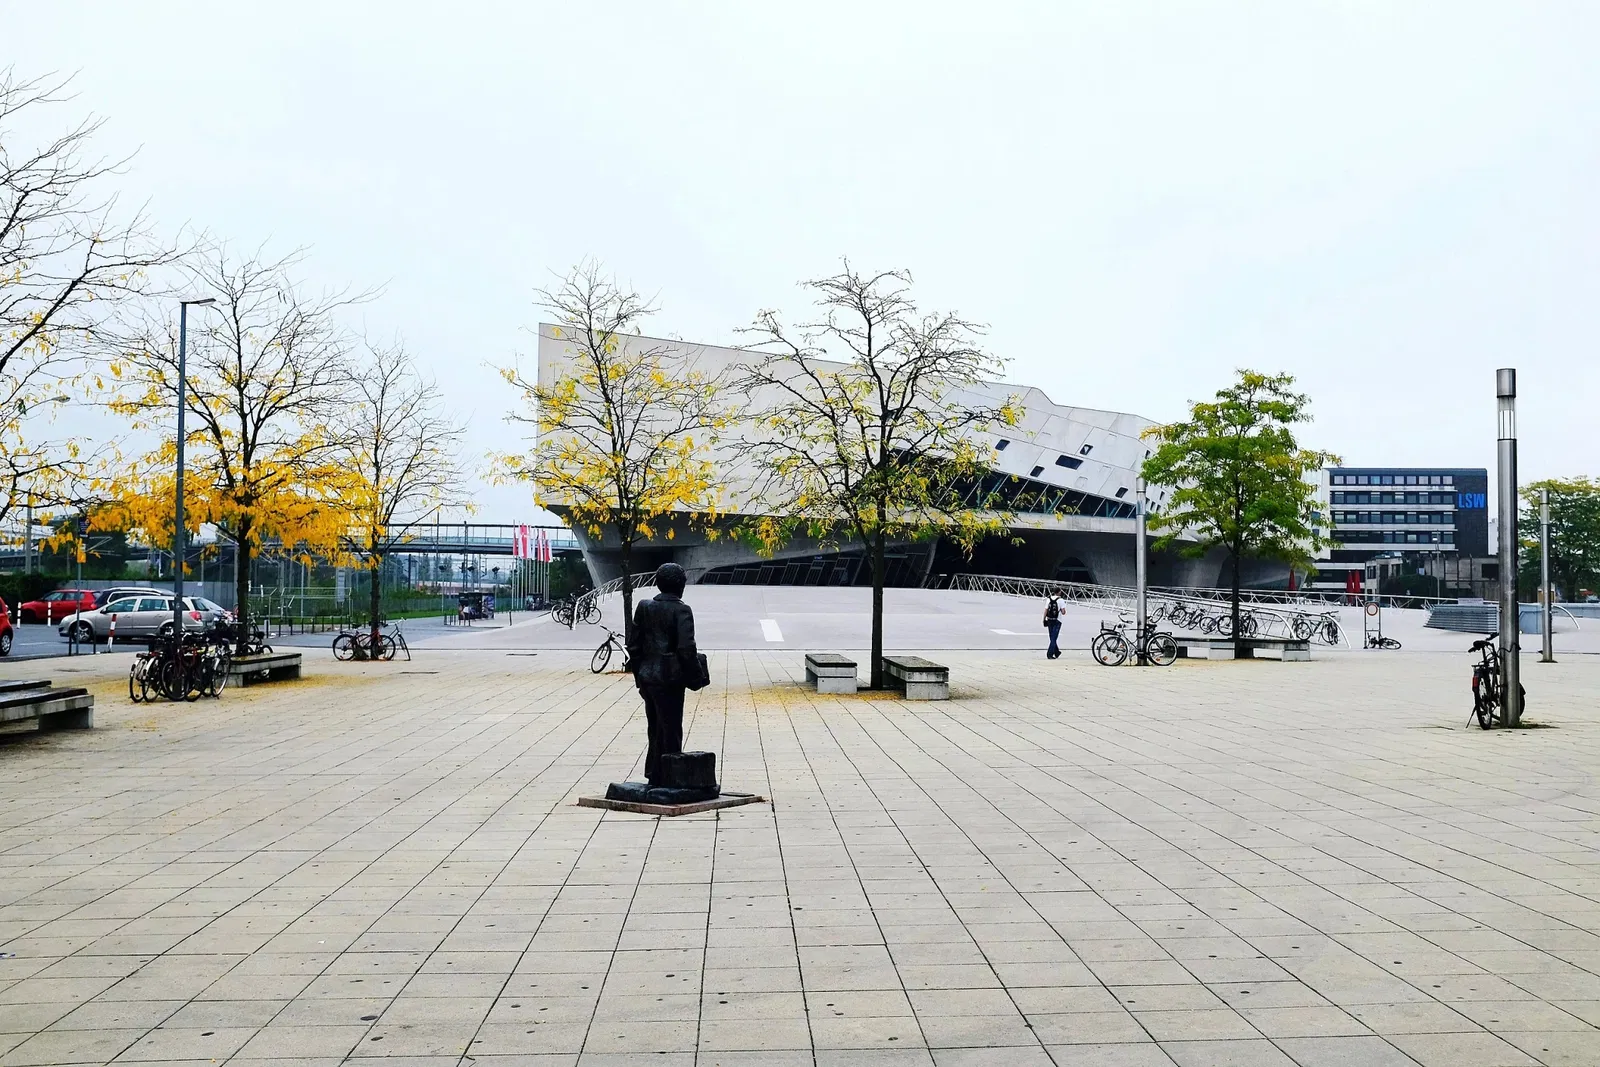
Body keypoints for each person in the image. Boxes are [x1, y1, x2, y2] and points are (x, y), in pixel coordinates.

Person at [626, 563, 698, 784]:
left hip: (649, 678)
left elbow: (633, 646)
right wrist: (696, 677)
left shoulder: (644, 607)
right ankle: (670, 776)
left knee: (655, 727)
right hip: (669, 680)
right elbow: (686, 649)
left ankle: (654, 773)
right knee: (671, 728)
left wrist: (640, 677)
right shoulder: (681, 610)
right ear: (681, 586)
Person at [1043, 591, 1064, 659]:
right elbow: (1063, 612)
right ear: (1059, 593)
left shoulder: (1048, 599)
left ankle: (1057, 652)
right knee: (1054, 638)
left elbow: (1046, 610)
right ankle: (1049, 654)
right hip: (1057, 620)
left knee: (1051, 636)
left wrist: (1044, 619)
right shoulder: (1061, 600)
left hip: (1049, 619)